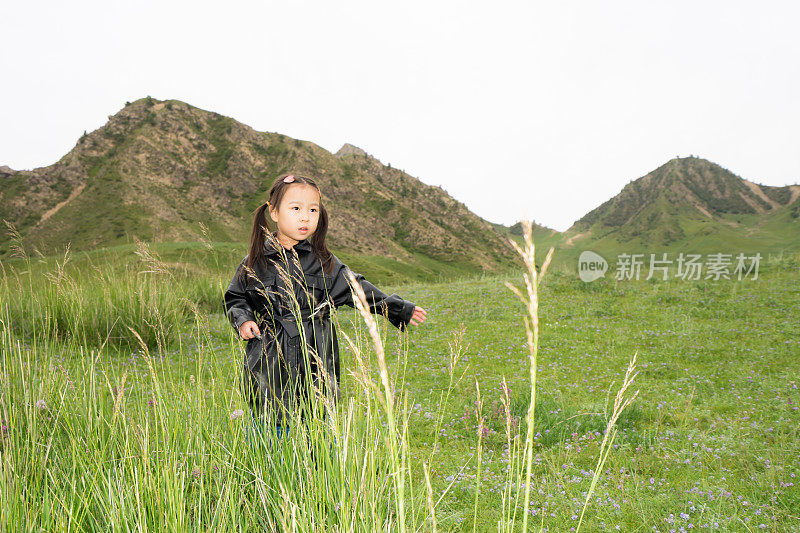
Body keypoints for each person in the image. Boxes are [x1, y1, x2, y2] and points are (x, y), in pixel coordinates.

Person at [224, 173, 427, 441]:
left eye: (312, 210)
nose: (305, 217)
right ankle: (264, 473)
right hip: (269, 351)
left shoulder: (325, 262)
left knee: (315, 422)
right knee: (268, 417)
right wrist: (243, 320)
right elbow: (235, 297)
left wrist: (397, 307)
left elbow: (358, 289)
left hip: (316, 350)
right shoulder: (256, 260)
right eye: (295, 208)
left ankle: (315, 473)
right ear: (273, 212)